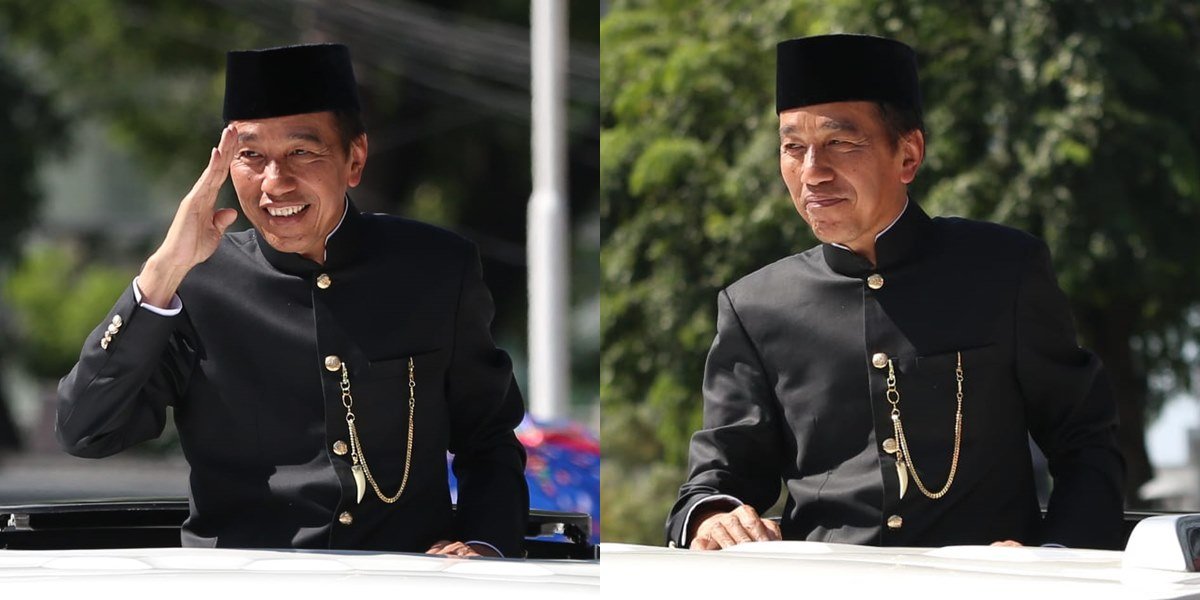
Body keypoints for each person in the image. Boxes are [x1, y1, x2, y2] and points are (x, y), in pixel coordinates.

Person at [56, 43, 528, 558]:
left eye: (302, 152)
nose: (274, 183)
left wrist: (485, 545)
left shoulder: (437, 269)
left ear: (355, 159)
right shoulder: (192, 283)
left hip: (405, 578)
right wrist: (162, 271)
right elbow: (85, 431)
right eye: (251, 157)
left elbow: (488, 438)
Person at [665, 34, 1124, 551]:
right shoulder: (754, 306)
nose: (812, 171)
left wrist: (1053, 561)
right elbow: (716, 480)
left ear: (908, 155)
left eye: (840, 143)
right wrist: (713, 516)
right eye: (794, 148)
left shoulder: (1004, 270)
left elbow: (1086, 442)